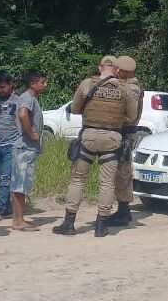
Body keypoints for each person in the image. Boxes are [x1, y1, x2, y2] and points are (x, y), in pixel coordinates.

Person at [53, 56, 137, 237]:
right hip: (112, 138)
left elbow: (75, 109)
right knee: (106, 183)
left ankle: (69, 224)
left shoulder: (87, 84)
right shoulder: (125, 89)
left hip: (89, 137)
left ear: (100, 67)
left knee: (77, 180)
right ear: (116, 69)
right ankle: (101, 226)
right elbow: (131, 115)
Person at [9, 69, 47, 231]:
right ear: (33, 84)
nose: (44, 85)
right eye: (42, 82)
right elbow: (23, 114)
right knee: (20, 184)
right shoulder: (28, 98)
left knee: (21, 184)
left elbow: (15, 116)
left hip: (24, 146)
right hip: (25, 147)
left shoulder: (27, 98)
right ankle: (18, 221)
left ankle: (19, 219)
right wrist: (31, 134)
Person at [110, 55, 144, 227]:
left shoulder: (132, 87)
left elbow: (128, 114)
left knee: (123, 172)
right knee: (118, 172)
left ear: (122, 71)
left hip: (126, 133)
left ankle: (123, 212)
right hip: (123, 132)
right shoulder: (127, 85)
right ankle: (123, 210)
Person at [0, 70, 20, 221]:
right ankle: (7, 207)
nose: (0, 90)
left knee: (6, 178)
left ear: (10, 85)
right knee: (0, 178)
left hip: (11, 145)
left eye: (2, 87)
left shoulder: (18, 101)